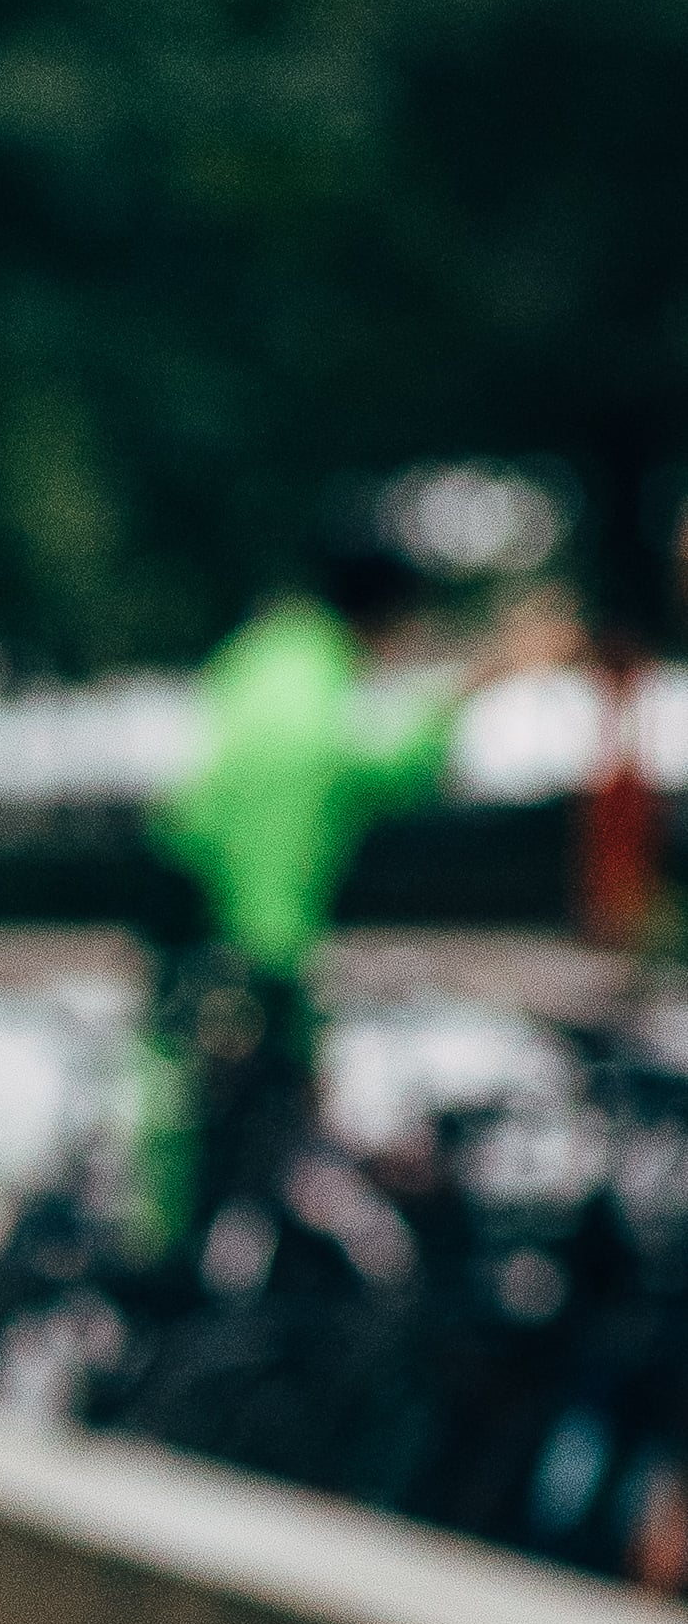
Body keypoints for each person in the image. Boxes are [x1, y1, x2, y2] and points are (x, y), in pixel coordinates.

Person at [141, 538, 564, 1256]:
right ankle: (188, 1290)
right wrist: (477, 682)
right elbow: (380, 766)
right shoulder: (314, 706)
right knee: (234, 1142)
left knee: (179, 1130)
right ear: (390, 616)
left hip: (183, 924)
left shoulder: (272, 654)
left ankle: (164, 1263)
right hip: (245, 951)